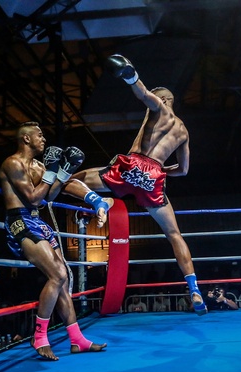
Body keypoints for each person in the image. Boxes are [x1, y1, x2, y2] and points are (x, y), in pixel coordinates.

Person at [62, 54, 207, 315]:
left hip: (133, 165)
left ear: (163, 99)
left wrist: (131, 75)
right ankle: (194, 289)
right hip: (154, 178)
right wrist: (159, 172)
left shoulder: (159, 108)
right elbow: (183, 171)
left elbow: (143, 95)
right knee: (174, 235)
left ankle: (97, 201)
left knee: (73, 179)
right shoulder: (184, 132)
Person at [0, 121, 108, 360]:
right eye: (39, 135)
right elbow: (34, 198)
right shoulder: (13, 163)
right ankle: (39, 337)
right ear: (26, 139)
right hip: (20, 221)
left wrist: (89, 194)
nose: (43, 139)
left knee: (64, 278)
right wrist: (52, 173)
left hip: (39, 222)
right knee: (57, 275)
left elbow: (57, 190)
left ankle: (77, 340)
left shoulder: (39, 165)